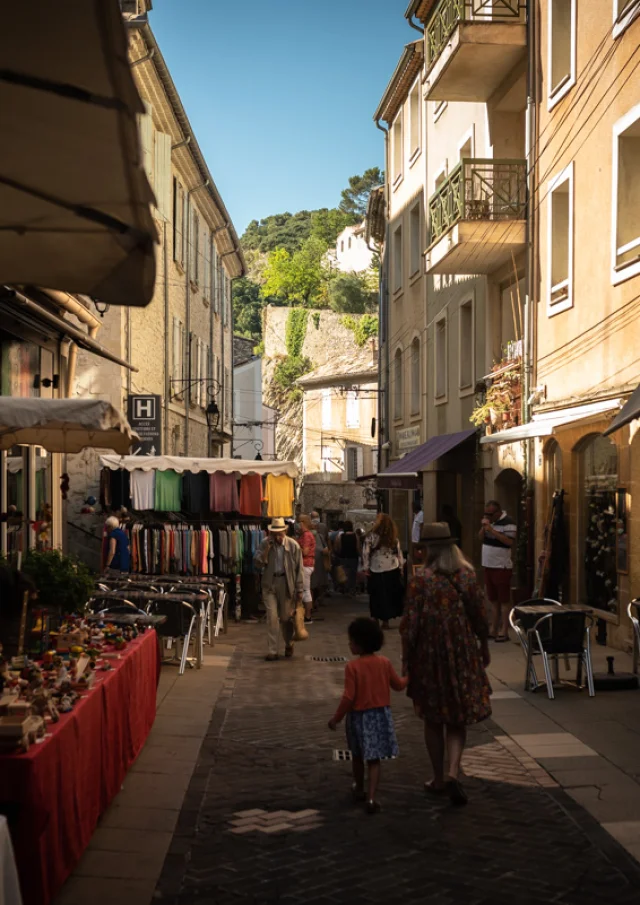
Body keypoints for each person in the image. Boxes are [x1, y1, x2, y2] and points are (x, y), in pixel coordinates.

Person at [400, 523, 491, 807]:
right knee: (456, 716)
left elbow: (409, 626)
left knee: (432, 717)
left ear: (427, 550)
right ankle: (453, 772)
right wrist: (484, 644)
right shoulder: (466, 576)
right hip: (461, 651)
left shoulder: (421, 580)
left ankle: (438, 778)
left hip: (429, 654)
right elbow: (479, 615)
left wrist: (406, 658)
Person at [328, 617, 407, 814]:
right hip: (380, 716)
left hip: (358, 718)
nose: (349, 644)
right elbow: (398, 685)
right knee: (374, 759)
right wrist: (409, 676)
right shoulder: (385, 663)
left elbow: (348, 697)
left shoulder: (352, 668)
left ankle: (359, 788)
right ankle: (371, 798)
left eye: (351, 641)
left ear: (359, 643)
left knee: (357, 756)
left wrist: (336, 718)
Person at [254, 517, 304, 661]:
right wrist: (267, 551)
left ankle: (288, 643)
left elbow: (299, 569)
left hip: (286, 583)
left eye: (280, 533)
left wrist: (300, 589)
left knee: (285, 618)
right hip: (270, 583)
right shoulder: (265, 544)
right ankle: (272, 650)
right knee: (272, 618)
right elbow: (257, 563)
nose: (278, 536)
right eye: (275, 533)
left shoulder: (293, 546)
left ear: (285, 531)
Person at [479, 499, 517, 642]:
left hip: (501, 566)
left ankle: (504, 630)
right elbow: (480, 538)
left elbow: (509, 542)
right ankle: (493, 629)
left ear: (498, 512)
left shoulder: (509, 522)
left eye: (490, 514)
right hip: (488, 565)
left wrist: (492, 531)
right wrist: (484, 528)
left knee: (504, 600)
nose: (488, 516)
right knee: (493, 599)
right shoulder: (489, 523)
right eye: (486, 514)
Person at [362, 513, 405, 630]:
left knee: (376, 594)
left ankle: (375, 617)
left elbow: (366, 553)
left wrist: (366, 568)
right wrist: (401, 567)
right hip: (392, 567)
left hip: (376, 567)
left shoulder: (371, 537)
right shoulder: (394, 538)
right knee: (389, 595)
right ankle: (386, 620)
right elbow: (399, 553)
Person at [296, 514, 316, 622]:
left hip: (306, 565)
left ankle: (308, 616)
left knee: (305, 591)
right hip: (306, 565)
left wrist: (295, 545)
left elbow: (305, 551)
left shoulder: (307, 535)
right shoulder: (304, 535)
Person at [335, 521, 360, 595]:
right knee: (353, 574)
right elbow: (358, 547)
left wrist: (339, 553)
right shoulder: (356, 536)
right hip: (353, 557)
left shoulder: (341, 536)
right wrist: (359, 554)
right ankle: (351, 589)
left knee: (344, 573)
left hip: (343, 557)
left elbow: (338, 547)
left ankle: (345, 588)